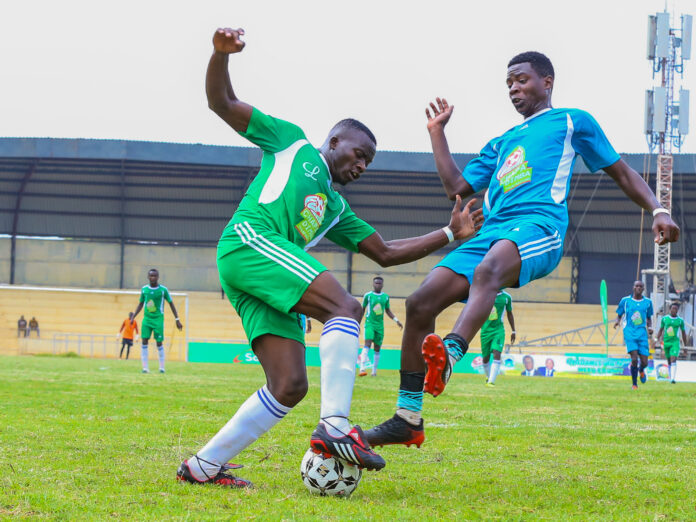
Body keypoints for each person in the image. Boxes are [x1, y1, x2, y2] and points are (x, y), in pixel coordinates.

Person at [175, 26, 484, 489]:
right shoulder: (292, 143)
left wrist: (449, 232)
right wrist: (220, 56)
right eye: (360, 154)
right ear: (335, 141)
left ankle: (202, 467)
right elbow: (222, 102)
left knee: (289, 385)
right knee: (346, 306)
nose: (361, 166)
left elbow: (384, 252)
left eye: (369, 163)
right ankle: (336, 425)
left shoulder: (336, 208)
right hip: (248, 241)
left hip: (261, 273)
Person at [366, 51, 680, 448]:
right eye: (509, 83)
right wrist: (436, 132)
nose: (514, 88)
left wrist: (658, 208)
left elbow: (621, 171)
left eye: (522, 80)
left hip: (539, 226)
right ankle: (407, 417)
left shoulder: (571, 121)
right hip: (491, 234)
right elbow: (456, 188)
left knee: (489, 270)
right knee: (420, 302)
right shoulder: (501, 143)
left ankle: (451, 352)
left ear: (547, 82)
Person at [130, 268, 183, 374]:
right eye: (151, 275)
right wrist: (133, 317)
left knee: (159, 343)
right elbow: (141, 303)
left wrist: (177, 319)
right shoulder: (144, 289)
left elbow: (171, 303)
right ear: (148, 277)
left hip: (158, 319)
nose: (153, 277)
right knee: (144, 341)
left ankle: (162, 368)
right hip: (147, 319)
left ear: (158, 277)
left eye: (155, 276)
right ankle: (145, 368)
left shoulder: (163, 290)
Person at [358, 276, 402, 377]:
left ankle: (374, 372)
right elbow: (362, 310)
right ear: (373, 284)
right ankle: (362, 369)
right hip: (369, 324)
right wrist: (358, 323)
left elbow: (388, 310)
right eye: (376, 283)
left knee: (377, 348)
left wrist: (396, 320)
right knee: (367, 344)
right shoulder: (368, 296)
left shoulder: (385, 297)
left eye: (379, 283)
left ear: (382, 285)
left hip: (380, 326)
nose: (377, 285)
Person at [614, 280, 654, 389]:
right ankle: (634, 384)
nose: (638, 288)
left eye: (641, 286)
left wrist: (650, 327)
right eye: (636, 286)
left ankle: (641, 370)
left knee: (645, 362)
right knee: (634, 358)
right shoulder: (625, 301)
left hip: (642, 333)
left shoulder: (648, 302)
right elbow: (619, 314)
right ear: (633, 287)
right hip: (629, 332)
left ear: (643, 289)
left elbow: (649, 318)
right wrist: (617, 321)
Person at [480, 290, 515, 386]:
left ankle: (491, 382)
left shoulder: (507, 297)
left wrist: (513, 331)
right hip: (485, 331)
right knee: (485, 359)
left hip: (498, 330)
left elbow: (510, 313)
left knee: (496, 353)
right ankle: (488, 378)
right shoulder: (484, 294)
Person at [656, 302, 687, 384]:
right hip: (666, 342)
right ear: (670, 309)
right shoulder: (665, 319)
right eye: (673, 308)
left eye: (676, 309)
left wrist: (685, 347)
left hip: (675, 342)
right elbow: (660, 330)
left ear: (677, 311)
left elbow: (684, 333)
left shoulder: (680, 321)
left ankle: (673, 379)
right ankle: (670, 377)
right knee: (669, 361)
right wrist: (656, 340)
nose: (674, 310)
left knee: (673, 358)